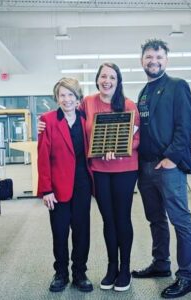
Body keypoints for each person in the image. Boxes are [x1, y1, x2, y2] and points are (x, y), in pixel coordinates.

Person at [131, 39, 191, 299]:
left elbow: (185, 126)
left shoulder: (177, 86)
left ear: (166, 60)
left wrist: (171, 158)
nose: (153, 61)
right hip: (145, 167)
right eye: (149, 57)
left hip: (168, 166)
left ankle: (186, 277)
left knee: (180, 220)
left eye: (158, 57)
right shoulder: (144, 92)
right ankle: (161, 264)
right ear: (142, 61)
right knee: (155, 220)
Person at [80, 62, 140, 292]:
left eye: (112, 77)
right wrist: (45, 122)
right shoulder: (87, 103)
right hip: (99, 169)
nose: (107, 81)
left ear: (118, 81)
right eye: (103, 76)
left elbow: (137, 138)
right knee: (108, 219)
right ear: (97, 79)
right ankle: (111, 267)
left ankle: (125, 269)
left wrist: (120, 146)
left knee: (122, 217)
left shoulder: (128, 105)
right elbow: (70, 122)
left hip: (125, 168)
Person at [37, 78, 93, 293]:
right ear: (56, 97)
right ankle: (61, 273)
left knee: (82, 231)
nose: (67, 99)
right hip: (57, 185)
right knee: (60, 232)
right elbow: (43, 157)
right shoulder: (47, 120)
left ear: (77, 97)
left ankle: (80, 272)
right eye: (62, 95)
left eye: (71, 94)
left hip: (82, 184)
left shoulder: (86, 119)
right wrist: (46, 189)